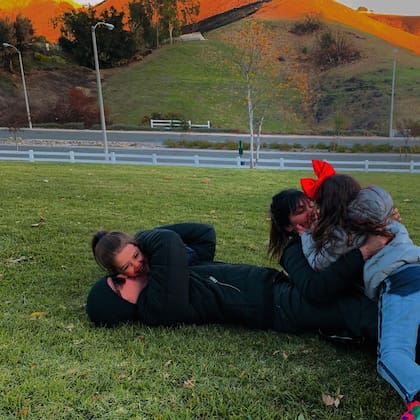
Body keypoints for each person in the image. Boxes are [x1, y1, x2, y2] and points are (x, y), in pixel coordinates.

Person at [86, 222, 382, 342]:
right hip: (276, 306)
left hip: (276, 287)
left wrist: (141, 250)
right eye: (120, 279)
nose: (130, 273)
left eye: (135, 257)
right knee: (355, 311)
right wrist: (142, 239)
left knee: (351, 292)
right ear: (121, 302)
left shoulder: (165, 275)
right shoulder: (157, 307)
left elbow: (204, 235)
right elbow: (166, 241)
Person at [298, 160, 420, 418]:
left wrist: (307, 234)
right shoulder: (381, 213)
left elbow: (320, 263)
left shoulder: (346, 229)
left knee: (392, 356)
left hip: (401, 282)